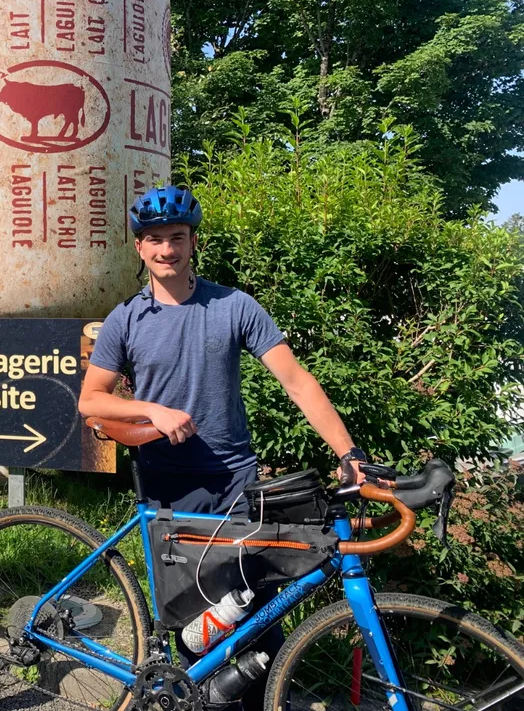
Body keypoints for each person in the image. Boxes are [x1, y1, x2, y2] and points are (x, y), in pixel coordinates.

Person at [79, 185, 365, 711]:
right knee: (189, 613)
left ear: (193, 243)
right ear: (139, 248)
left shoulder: (234, 306)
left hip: (233, 478)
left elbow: (297, 380)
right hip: (166, 479)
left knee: (253, 607)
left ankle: (256, 697)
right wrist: (153, 411)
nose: (168, 249)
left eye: (178, 237)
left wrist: (350, 454)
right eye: (156, 239)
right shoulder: (126, 318)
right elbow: (91, 401)